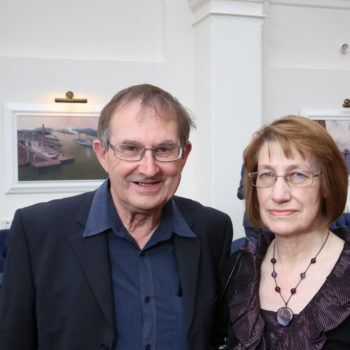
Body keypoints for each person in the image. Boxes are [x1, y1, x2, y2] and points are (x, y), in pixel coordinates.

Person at [0, 84, 233, 350]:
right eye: (131, 148)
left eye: (164, 149)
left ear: (184, 156)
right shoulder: (38, 231)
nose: (149, 168)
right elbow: (13, 340)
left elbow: (215, 335)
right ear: (102, 154)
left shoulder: (212, 229)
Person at [226, 115, 350, 349]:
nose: (279, 194)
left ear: (327, 185)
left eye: (298, 175)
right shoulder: (236, 268)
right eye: (267, 175)